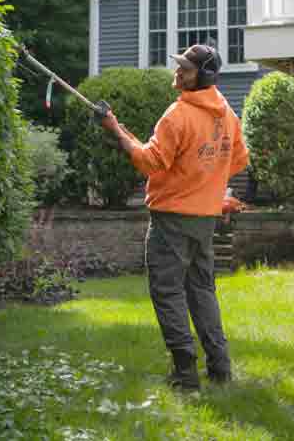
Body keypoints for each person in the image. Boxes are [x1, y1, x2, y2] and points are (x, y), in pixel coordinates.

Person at [100, 44, 249, 391]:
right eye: (179, 66)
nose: (178, 73)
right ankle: (220, 369)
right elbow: (237, 159)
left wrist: (113, 131)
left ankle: (184, 375)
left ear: (204, 76)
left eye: (186, 69)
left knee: (167, 293)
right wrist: (207, 185)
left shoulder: (178, 115)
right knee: (202, 292)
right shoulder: (226, 113)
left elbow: (150, 163)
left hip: (171, 222)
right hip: (205, 220)